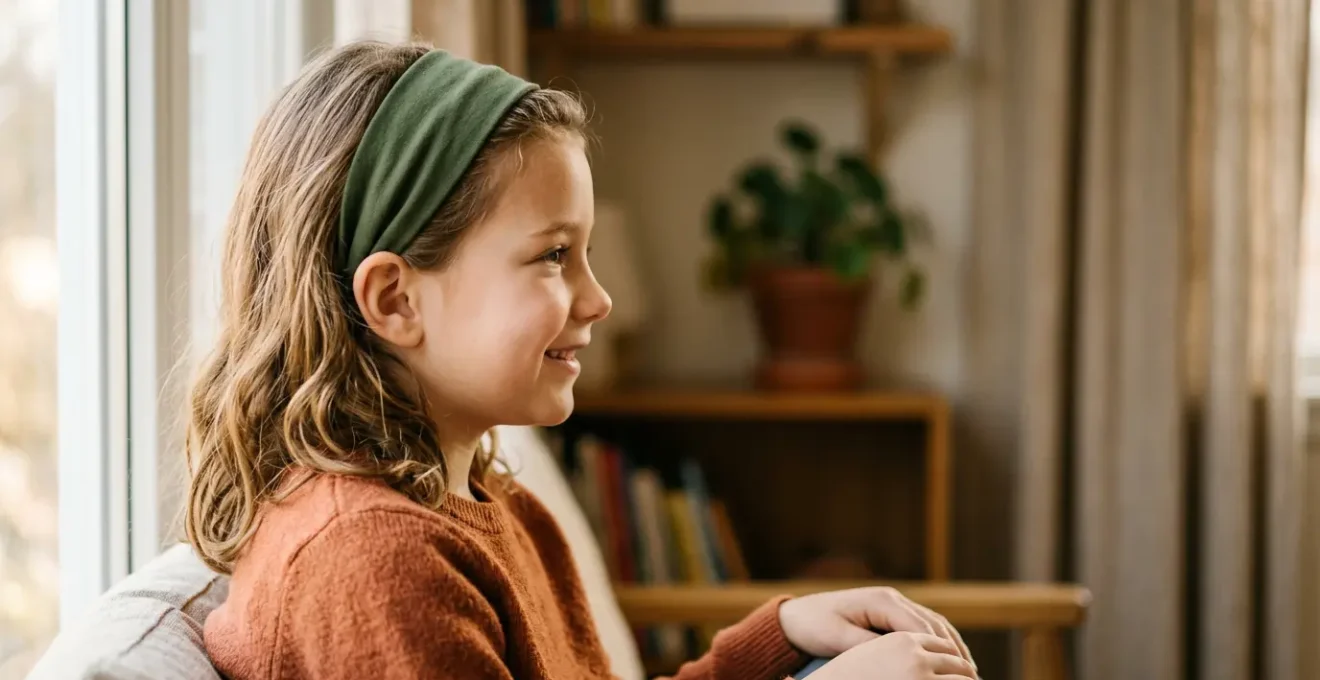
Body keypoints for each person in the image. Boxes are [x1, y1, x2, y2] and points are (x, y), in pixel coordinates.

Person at [185, 41, 979, 680]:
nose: (596, 298)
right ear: (395, 300)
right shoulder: (374, 564)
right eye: (553, 255)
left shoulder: (494, 505)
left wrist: (773, 642)